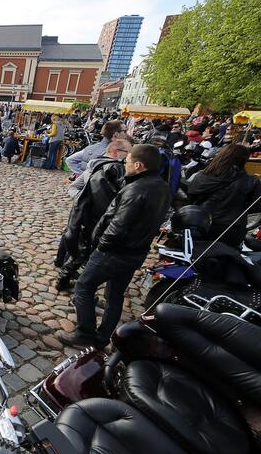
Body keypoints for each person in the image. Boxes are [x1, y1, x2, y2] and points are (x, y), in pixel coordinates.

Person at [57, 145, 169, 348]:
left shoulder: (137, 189)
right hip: (136, 252)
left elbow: (118, 226)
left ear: (138, 165)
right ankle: (102, 338)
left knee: (83, 287)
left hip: (115, 252)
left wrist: (100, 246)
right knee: (115, 295)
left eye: (127, 162)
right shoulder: (162, 186)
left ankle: (85, 334)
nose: (124, 165)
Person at [57, 137, 132, 290]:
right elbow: (121, 195)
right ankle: (79, 288)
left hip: (85, 214)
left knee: (78, 251)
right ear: (117, 152)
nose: (129, 155)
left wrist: (81, 202)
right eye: (128, 152)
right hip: (97, 216)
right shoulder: (115, 168)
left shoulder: (96, 163)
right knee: (86, 253)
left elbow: (76, 187)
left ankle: (64, 279)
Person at [188, 144, 261, 249]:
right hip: (231, 228)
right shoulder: (251, 181)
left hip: (201, 223)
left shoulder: (202, 175)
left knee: (196, 257)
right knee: (224, 260)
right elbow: (256, 207)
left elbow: (191, 197)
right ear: (244, 160)